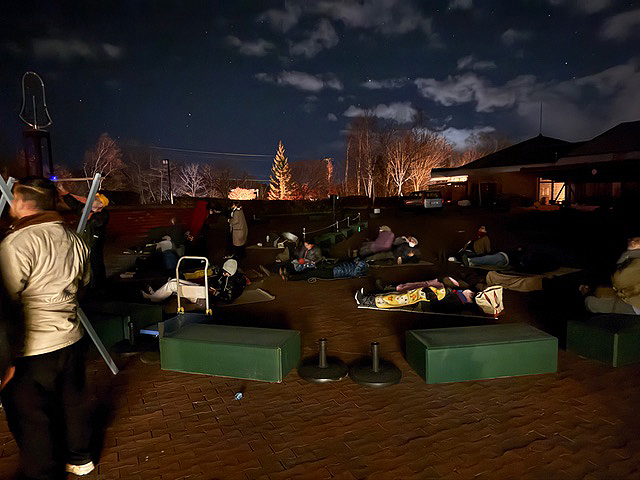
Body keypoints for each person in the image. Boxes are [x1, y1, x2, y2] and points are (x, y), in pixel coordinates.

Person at [0, 177, 94, 478]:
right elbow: (85, 282)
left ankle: (43, 473)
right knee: (73, 402)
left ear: (22, 202)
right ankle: (80, 458)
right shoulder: (74, 239)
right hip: (71, 336)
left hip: (33, 347)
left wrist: (6, 360)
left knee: (31, 417)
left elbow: (6, 301)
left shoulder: (16, 244)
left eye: (14, 199)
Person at [59, 184, 110, 289]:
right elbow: (73, 203)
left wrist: (88, 215)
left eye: (95, 200)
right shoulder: (85, 209)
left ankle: (99, 286)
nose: (91, 201)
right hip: (83, 241)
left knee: (96, 264)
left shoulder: (103, 214)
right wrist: (64, 192)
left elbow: (97, 222)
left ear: (101, 204)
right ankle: (86, 284)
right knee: (84, 264)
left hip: (94, 243)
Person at [142, 259, 246, 304]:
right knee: (174, 281)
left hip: (205, 296)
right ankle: (155, 296)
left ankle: (153, 298)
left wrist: (215, 293)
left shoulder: (231, 283)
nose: (224, 274)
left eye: (226, 273)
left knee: (173, 285)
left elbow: (229, 299)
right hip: (204, 290)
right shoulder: (225, 276)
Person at [354, 277, 477, 314]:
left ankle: (368, 300)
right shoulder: (460, 294)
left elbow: (443, 306)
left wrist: (433, 296)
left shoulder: (459, 301)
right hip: (440, 293)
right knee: (419, 287)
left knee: (412, 295)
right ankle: (375, 295)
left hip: (435, 299)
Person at [583, 238, 640, 315]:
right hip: (628, 297)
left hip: (633, 306)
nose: (632, 242)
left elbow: (620, 280)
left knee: (590, 302)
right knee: (597, 294)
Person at [286, 258, 369, 281]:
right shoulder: (356, 265)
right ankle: (292, 272)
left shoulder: (358, 271)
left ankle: (291, 277)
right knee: (311, 268)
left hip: (333, 273)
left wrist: (362, 262)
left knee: (311, 273)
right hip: (333, 268)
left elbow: (356, 271)